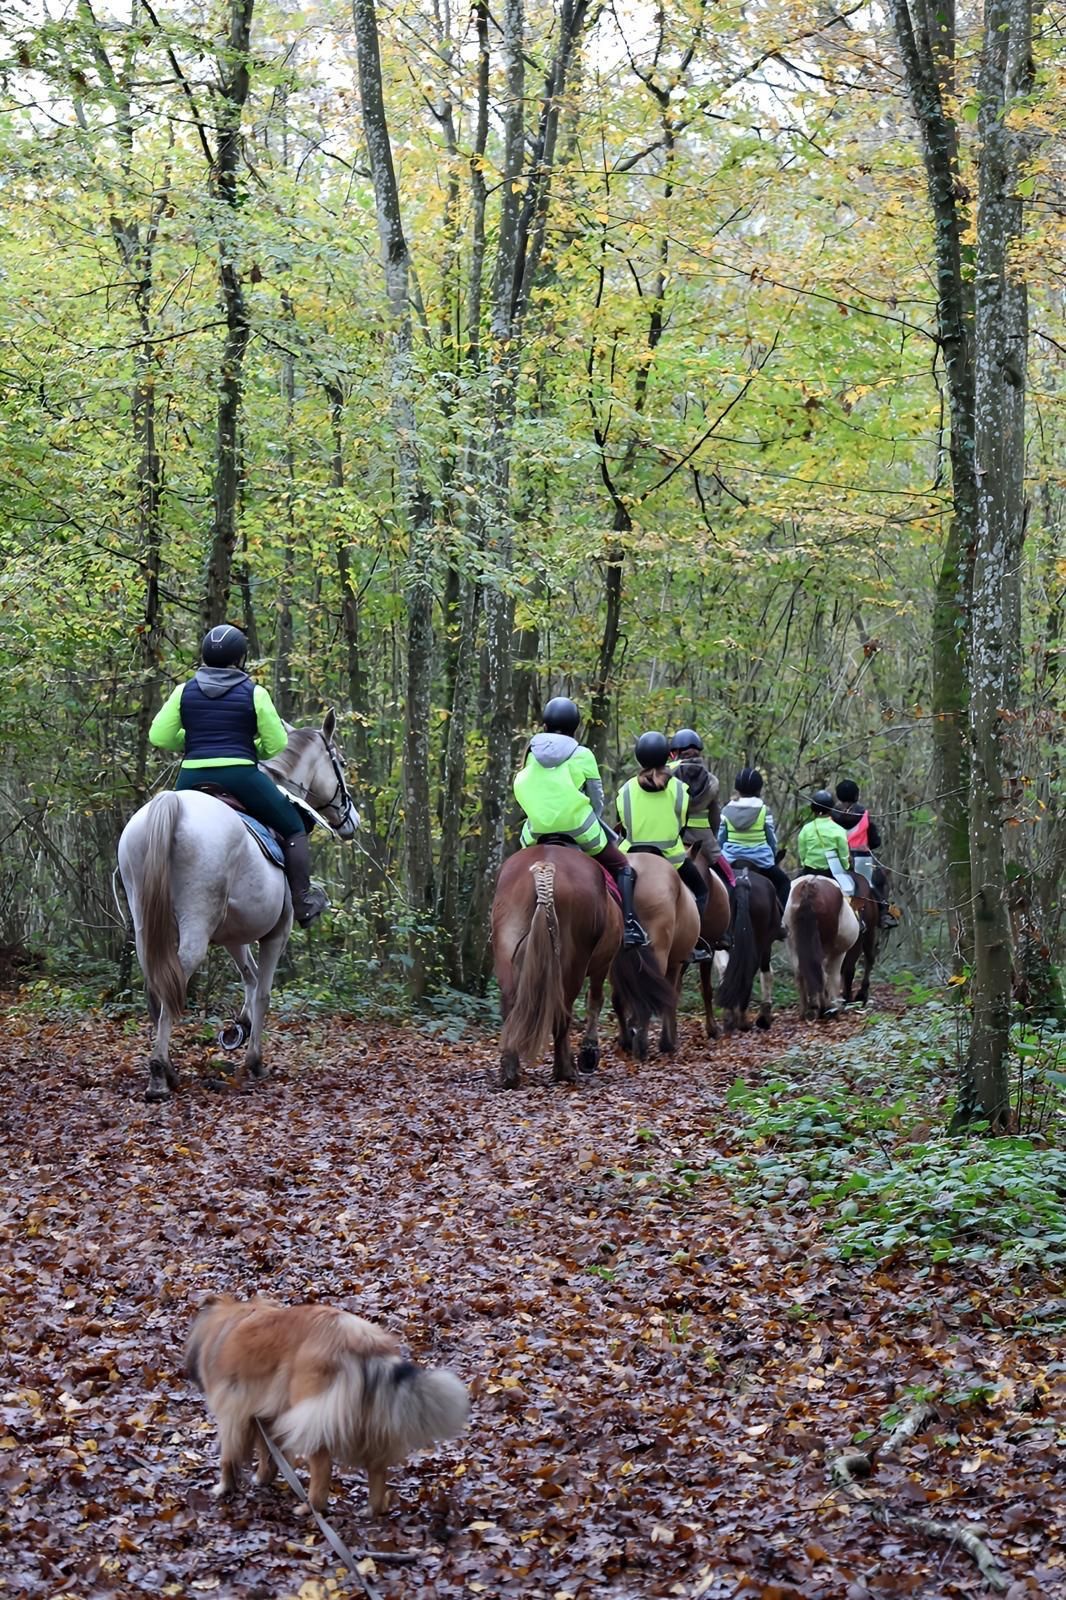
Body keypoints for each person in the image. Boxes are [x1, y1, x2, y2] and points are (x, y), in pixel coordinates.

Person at [149, 624, 329, 927]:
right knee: (295, 826)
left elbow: (159, 736)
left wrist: (192, 743)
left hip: (191, 776)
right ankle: (303, 903)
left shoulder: (184, 691)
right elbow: (277, 745)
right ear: (240, 658)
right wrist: (249, 747)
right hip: (240, 775)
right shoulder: (255, 693)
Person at [513, 697, 649, 948]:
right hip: (580, 829)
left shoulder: (530, 752)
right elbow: (597, 797)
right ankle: (630, 925)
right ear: (575, 726)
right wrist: (592, 816)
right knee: (623, 867)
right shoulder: (583, 753)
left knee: (513, 871)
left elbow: (525, 786)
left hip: (536, 830)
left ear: (545, 724)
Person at [616, 731, 715, 962]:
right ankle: (693, 942)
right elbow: (681, 824)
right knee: (701, 891)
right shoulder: (680, 789)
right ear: (667, 756)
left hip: (630, 854)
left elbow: (624, 822)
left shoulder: (625, 789)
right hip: (671, 856)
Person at [668, 729, 736, 891]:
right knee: (730, 879)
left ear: (676, 753)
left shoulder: (666, 776)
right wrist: (712, 836)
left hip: (671, 837)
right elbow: (715, 818)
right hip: (703, 841)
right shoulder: (712, 781)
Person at [718, 768, 792, 910]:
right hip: (760, 860)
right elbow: (771, 839)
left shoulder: (726, 810)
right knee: (784, 883)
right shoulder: (764, 810)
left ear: (737, 788)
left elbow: (721, 839)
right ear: (759, 789)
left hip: (731, 859)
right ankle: (781, 921)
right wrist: (772, 854)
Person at [833, 779, 896, 928]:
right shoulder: (864, 815)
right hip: (862, 859)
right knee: (874, 884)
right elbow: (875, 841)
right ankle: (884, 914)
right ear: (856, 796)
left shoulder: (831, 815)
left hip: (838, 859)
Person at [795, 790, 854, 890]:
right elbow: (844, 856)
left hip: (809, 871)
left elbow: (802, 854)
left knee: (790, 890)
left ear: (813, 809)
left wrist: (805, 864)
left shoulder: (806, 829)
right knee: (851, 892)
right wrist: (846, 866)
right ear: (831, 809)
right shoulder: (839, 830)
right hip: (831, 873)